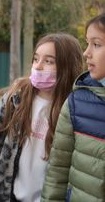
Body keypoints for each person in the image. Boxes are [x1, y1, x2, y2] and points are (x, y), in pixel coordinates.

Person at [0, 33, 83, 202]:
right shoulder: (16, 98)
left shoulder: (76, 109)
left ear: (67, 66)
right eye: (36, 59)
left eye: (48, 61)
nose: (38, 66)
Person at [41, 13, 105, 202]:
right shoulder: (76, 103)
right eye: (87, 43)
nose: (87, 53)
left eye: (97, 44)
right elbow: (57, 174)